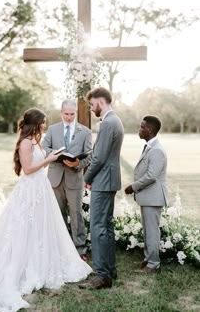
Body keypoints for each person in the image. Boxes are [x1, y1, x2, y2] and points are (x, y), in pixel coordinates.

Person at [0, 108, 92, 312]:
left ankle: (41, 263)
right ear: (35, 123)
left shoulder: (35, 140)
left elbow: (38, 162)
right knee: (23, 227)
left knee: (41, 227)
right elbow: (28, 169)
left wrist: (53, 155)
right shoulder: (25, 142)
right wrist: (49, 160)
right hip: (30, 189)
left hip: (41, 188)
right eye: (42, 122)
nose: (44, 125)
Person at [80, 87, 124, 290]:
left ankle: (102, 275)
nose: (91, 108)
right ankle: (110, 269)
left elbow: (99, 157)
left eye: (92, 104)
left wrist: (86, 177)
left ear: (100, 101)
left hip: (103, 181)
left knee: (98, 227)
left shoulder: (108, 122)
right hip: (108, 180)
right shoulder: (115, 121)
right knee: (106, 226)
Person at [43, 100, 92, 261]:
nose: (69, 117)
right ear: (61, 112)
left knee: (76, 214)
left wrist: (78, 163)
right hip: (55, 178)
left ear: (75, 113)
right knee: (58, 214)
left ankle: (80, 249)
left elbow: (90, 155)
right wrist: (56, 155)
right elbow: (44, 148)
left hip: (74, 179)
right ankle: (60, 247)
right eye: (66, 114)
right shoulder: (52, 129)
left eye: (72, 114)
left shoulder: (85, 131)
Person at [125, 115, 168, 273]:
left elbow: (151, 176)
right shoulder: (150, 146)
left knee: (151, 231)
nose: (140, 129)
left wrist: (133, 187)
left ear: (150, 130)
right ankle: (148, 259)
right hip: (148, 197)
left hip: (153, 197)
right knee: (148, 230)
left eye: (142, 127)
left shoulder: (157, 150)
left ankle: (153, 264)